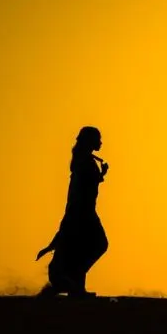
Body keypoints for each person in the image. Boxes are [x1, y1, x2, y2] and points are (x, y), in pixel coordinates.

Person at [37, 126, 110, 298]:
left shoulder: (83, 161)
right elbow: (81, 189)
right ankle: (74, 281)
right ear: (90, 141)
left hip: (83, 211)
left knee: (84, 247)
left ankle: (76, 286)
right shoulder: (84, 162)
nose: (100, 142)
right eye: (98, 139)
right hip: (83, 212)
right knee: (99, 245)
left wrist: (101, 176)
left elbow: (87, 184)